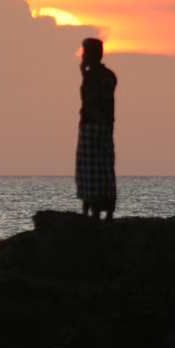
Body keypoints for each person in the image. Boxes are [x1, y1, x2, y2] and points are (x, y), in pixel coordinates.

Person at [75, 38, 117, 220]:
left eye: (85, 52)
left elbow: (91, 98)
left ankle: (91, 210)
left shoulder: (93, 76)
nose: (82, 55)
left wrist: (93, 113)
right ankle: (107, 210)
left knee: (88, 167)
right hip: (106, 126)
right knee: (105, 165)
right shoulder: (110, 75)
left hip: (92, 125)